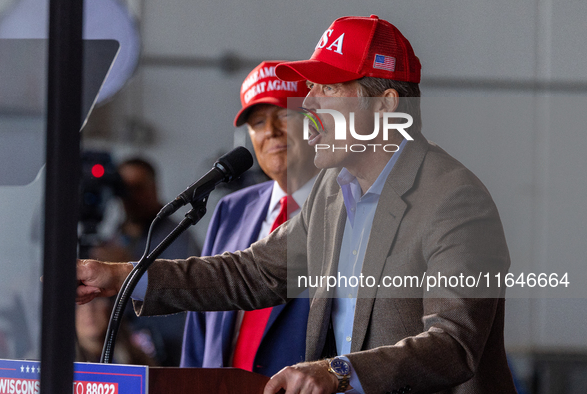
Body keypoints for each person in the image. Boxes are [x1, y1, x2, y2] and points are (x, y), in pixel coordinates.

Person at [77, 15, 517, 393]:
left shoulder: (455, 201)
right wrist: (124, 277)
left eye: (329, 88)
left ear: (386, 105)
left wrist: (338, 372)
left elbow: (453, 344)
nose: (307, 102)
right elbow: (253, 272)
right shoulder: (334, 190)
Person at [179, 61, 319, 376]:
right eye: (257, 122)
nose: (271, 131)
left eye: (284, 115)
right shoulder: (232, 210)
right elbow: (200, 327)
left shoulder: (348, 208)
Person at [90, 158, 201, 366]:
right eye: (124, 189)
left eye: (138, 188)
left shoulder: (177, 237)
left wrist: (125, 270)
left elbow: (185, 299)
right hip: (122, 358)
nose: (131, 197)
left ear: (155, 187)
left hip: (169, 359)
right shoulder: (115, 236)